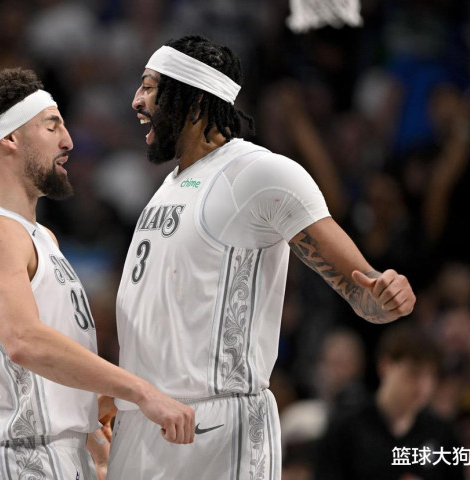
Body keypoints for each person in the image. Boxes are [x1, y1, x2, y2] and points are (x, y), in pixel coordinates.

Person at [108, 34, 416, 480]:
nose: (136, 100)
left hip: (216, 429)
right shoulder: (168, 187)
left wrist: (386, 295)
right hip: (143, 419)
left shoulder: (260, 173)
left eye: (150, 87)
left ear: (193, 99)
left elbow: (361, 288)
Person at [0, 67, 194, 480]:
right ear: (10, 139)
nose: (68, 141)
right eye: (52, 126)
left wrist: (86, 415)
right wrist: (139, 390)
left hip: (59, 451)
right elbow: (24, 341)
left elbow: (47, 356)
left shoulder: (40, 236)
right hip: (18, 457)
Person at [316, 323, 464, 480]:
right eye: (413, 373)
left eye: (430, 375)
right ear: (385, 366)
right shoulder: (346, 430)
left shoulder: (442, 434)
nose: (423, 386)